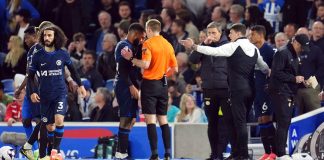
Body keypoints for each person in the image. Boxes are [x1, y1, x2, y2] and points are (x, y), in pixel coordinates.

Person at [180, 23, 270, 159]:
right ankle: (232, 154)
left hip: (234, 90)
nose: (229, 35)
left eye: (231, 33)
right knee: (238, 122)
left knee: (238, 123)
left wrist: (194, 46)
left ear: (238, 34)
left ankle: (242, 155)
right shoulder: (254, 48)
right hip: (249, 89)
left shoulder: (232, 46)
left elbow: (214, 52)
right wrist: (269, 73)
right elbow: (264, 67)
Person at [121, 19, 178, 160]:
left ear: (149, 30)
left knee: (151, 120)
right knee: (163, 120)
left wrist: (131, 58)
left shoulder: (149, 43)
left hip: (150, 85)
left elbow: (145, 64)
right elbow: (175, 68)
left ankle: (154, 155)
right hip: (163, 86)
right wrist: (163, 73)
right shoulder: (168, 44)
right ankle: (168, 154)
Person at [28, 25, 86, 160]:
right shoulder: (37, 56)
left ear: (56, 37)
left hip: (60, 93)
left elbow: (73, 71)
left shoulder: (62, 53)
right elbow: (30, 76)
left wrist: (81, 85)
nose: (47, 38)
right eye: (45, 35)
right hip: (44, 95)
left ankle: (54, 150)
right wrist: (32, 92)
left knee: (59, 120)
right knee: (49, 126)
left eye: (50, 35)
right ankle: (51, 152)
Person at [189, 22, 235, 159]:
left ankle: (231, 153)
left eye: (213, 33)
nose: (211, 36)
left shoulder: (229, 45)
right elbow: (192, 59)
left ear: (221, 33)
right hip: (209, 89)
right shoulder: (204, 46)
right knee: (212, 123)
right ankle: (215, 154)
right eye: (209, 33)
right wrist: (203, 45)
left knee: (227, 122)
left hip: (225, 90)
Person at [268, 34, 310, 160]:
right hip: (280, 91)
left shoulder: (293, 53)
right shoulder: (283, 53)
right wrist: (294, 78)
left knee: (285, 122)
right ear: (295, 42)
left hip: (288, 91)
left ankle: (276, 152)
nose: (302, 50)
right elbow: (276, 73)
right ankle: (281, 154)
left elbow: (291, 72)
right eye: (301, 47)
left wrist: (302, 80)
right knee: (283, 122)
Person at [114, 22, 146, 159]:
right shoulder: (123, 45)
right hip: (124, 85)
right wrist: (131, 85)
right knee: (126, 118)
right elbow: (122, 69)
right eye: (142, 37)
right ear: (135, 34)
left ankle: (120, 151)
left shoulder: (134, 47)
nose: (142, 40)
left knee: (132, 119)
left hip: (131, 84)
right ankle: (121, 153)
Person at [249, 25, 276, 160]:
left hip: (266, 91)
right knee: (260, 120)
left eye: (252, 35)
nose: (250, 37)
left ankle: (274, 151)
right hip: (255, 90)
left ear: (260, 35)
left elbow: (275, 71)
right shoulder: (252, 51)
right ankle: (266, 151)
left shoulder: (269, 51)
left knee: (267, 119)